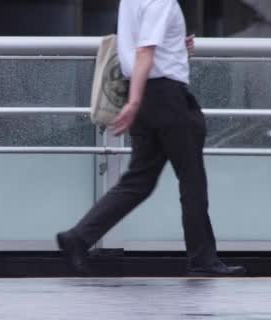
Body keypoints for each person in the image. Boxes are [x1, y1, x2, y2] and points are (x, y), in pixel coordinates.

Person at [57, 0, 246, 277]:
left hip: (146, 96)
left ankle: (78, 237)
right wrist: (132, 103)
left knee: (139, 180)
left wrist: (174, 52)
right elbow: (145, 50)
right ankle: (203, 260)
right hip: (164, 96)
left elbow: (142, 45)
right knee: (191, 180)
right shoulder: (161, 1)